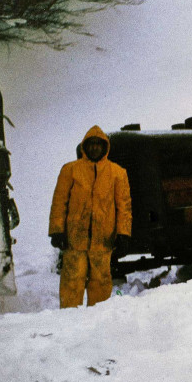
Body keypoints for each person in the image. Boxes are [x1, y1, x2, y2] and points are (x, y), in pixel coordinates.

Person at [49, 125, 132, 308]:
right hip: (74, 240)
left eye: (98, 144)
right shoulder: (70, 170)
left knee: (101, 283)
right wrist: (57, 231)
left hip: (103, 241)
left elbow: (124, 207)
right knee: (72, 281)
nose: (94, 148)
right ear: (84, 147)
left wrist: (124, 233)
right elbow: (59, 202)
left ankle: (97, 320)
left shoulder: (117, 173)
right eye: (91, 144)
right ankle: (69, 318)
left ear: (105, 147)